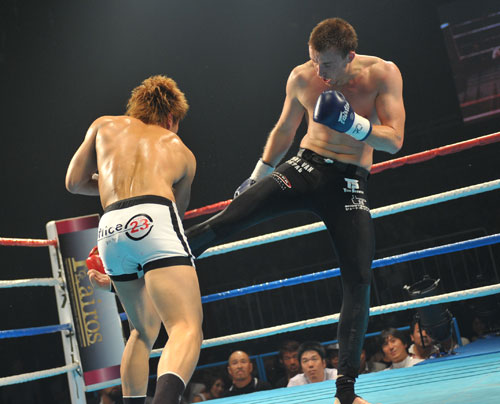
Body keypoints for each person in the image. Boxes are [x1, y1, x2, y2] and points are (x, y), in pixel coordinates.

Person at [185, 17, 405, 404]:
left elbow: (394, 140)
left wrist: (353, 125)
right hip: (305, 167)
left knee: (359, 279)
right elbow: (285, 129)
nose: (320, 72)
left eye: (328, 64)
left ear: (350, 56)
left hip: (349, 182)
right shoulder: (303, 77)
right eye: (315, 61)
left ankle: (346, 392)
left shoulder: (383, 74)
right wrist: (257, 176)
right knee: (231, 218)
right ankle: (155, 261)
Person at [65, 75, 203, 404]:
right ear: (171, 118)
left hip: (110, 225)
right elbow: (176, 213)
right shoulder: (180, 150)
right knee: (185, 326)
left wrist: (111, 182)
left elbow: (74, 182)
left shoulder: (103, 126)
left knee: (142, 330)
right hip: (155, 218)